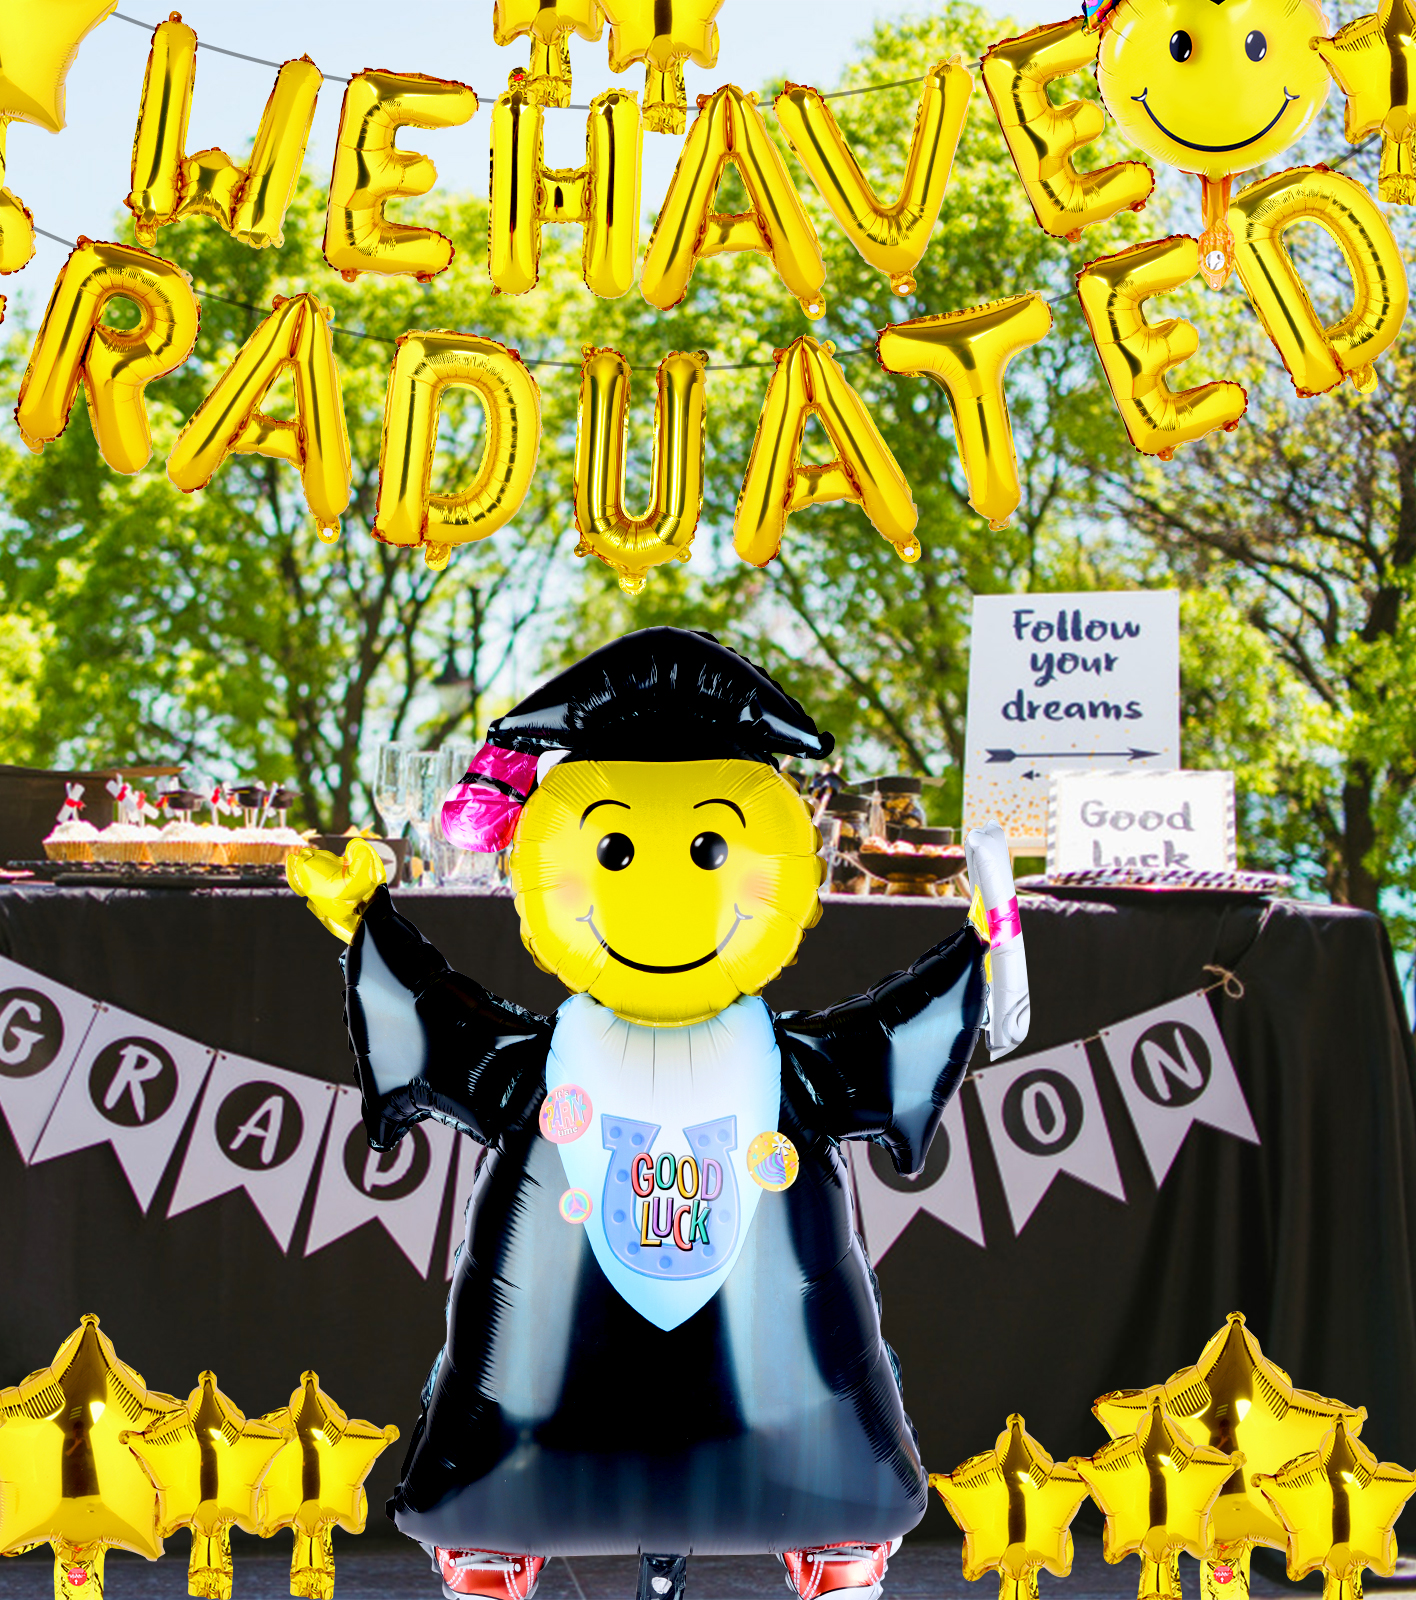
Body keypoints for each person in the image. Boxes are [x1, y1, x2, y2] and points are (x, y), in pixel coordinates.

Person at [287, 629, 1025, 1600]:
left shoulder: (773, 1067)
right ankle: (507, 1534)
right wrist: (365, 923)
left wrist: (982, 947)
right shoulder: (563, 1065)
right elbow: (437, 1015)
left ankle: (817, 1531)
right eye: (616, 851)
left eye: (709, 849)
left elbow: (892, 1032)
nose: (664, 888)